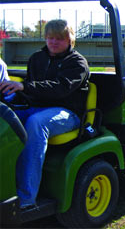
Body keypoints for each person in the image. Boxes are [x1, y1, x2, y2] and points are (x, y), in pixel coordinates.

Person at [0, 19, 90, 209]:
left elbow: (60, 88)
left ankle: (26, 198)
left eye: (59, 38)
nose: (53, 42)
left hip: (67, 113)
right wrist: (14, 93)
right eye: (50, 38)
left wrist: (24, 86)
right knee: (5, 119)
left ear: (69, 40)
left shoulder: (77, 62)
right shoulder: (37, 58)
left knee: (36, 123)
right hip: (36, 108)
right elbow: (32, 92)